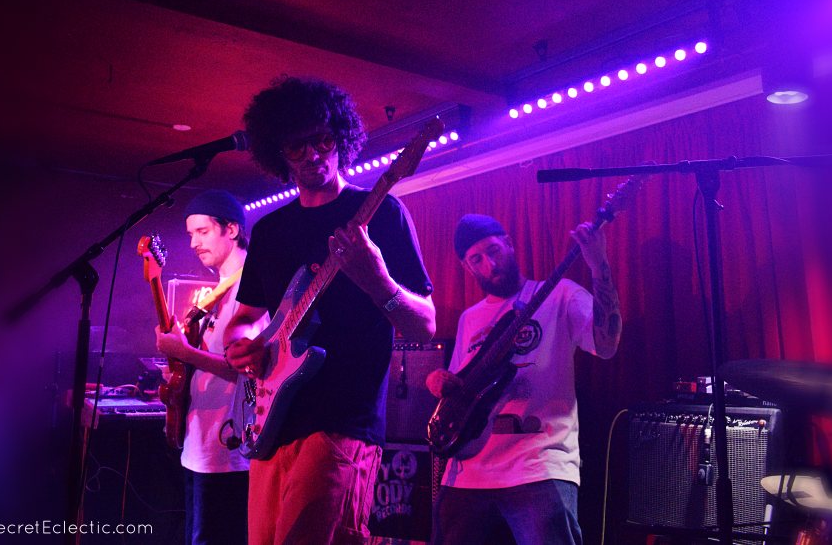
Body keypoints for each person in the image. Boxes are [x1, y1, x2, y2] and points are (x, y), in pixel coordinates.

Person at [223, 76, 436, 545]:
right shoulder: (270, 231)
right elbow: (244, 319)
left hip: (344, 419)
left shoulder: (382, 212)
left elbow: (425, 325)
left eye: (322, 139)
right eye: (296, 147)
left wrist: (378, 279)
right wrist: (241, 346)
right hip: (272, 421)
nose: (313, 155)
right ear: (279, 155)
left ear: (340, 136)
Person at [425, 213, 623, 545]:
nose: (489, 265)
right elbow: (461, 388)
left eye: (493, 251)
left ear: (509, 244)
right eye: (476, 259)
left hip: (538, 465)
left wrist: (598, 265)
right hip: (467, 472)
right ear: (466, 267)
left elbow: (606, 344)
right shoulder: (469, 319)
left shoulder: (559, 294)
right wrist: (438, 381)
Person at [155, 189, 254, 545]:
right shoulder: (217, 291)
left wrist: (186, 353)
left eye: (203, 231)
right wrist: (180, 367)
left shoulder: (250, 288)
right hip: (200, 445)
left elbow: (245, 369)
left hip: (227, 449)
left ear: (232, 229)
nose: (194, 243)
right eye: (190, 234)